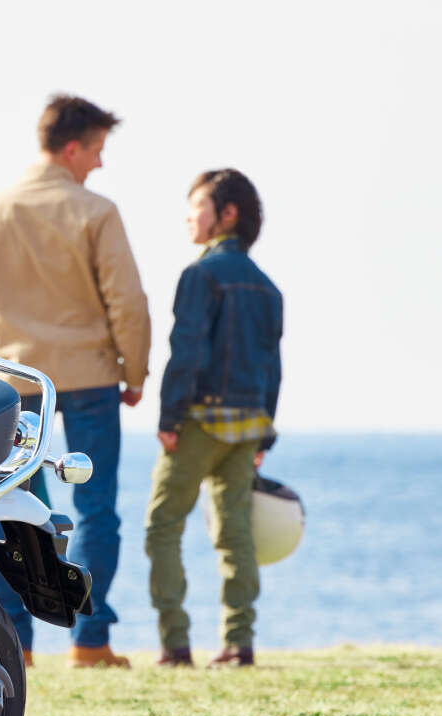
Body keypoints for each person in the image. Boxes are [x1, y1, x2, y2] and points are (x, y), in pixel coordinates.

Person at [0, 93, 150, 669]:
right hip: (90, 377)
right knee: (96, 509)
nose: (100, 162)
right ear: (72, 148)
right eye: (96, 150)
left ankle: (14, 641)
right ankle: (89, 640)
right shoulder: (96, 211)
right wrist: (135, 371)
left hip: (14, 380)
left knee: (6, 506)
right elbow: (128, 301)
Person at [144, 169, 282, 668]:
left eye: (197, 205)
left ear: (227, 214)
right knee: (235, 534)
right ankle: (239, 641)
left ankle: (175, 644)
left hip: (200, 420)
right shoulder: (268, 288)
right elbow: (273, 367)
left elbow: (186, 352)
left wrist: (169, 418)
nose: (189, 215)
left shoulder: (200, 275)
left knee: (163, 526)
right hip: (248, 426)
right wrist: (265, 432)